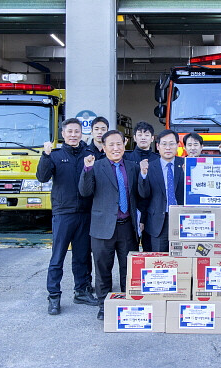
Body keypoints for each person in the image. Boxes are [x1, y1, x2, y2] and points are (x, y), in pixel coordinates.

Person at [37, 118, 98, 316]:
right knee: (58, 257)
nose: (73, 135)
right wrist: (45, 156)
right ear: (63, 134)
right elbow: (42, 177)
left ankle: (82, 291)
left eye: (76, 131)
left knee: (82, 256)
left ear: (81, 134)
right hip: (63, 213)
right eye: (69, 131)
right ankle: (54, 297)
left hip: (85, 213)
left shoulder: (89, 154)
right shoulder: (55, 155)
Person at [79, 130, 141, 320]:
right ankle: (104, 305)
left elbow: (139, 195)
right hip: (102, 227)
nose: (115, 148)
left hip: (127, 227)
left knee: (128, 269)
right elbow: (85, 192)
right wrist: (87, 169)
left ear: (125, 144)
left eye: (119, 144)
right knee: (103, 269)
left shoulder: (133, 167)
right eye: (111, 145)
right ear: (104, 147)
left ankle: (127, 303)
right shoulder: (95, 166)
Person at [138, 129, 185, 252]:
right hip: (158, 222)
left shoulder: (185, 164)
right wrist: (143, 174)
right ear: (158, 146)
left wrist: (189, 175)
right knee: (159, 259)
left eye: (171, 143)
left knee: (183, 257)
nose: (168, 147)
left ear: (177, 145)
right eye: (164, 144)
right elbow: (144, 194)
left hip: (183, 219)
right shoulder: (149, 167)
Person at [124, 121, 160, 251]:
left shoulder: (158, 159)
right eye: (139, 134)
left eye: (146, 135)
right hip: (130, 210)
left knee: (150, 250)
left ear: (152, 138)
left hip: (151, 211)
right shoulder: (125, 157)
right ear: (134, 138)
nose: (143, 137)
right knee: (130, 251)